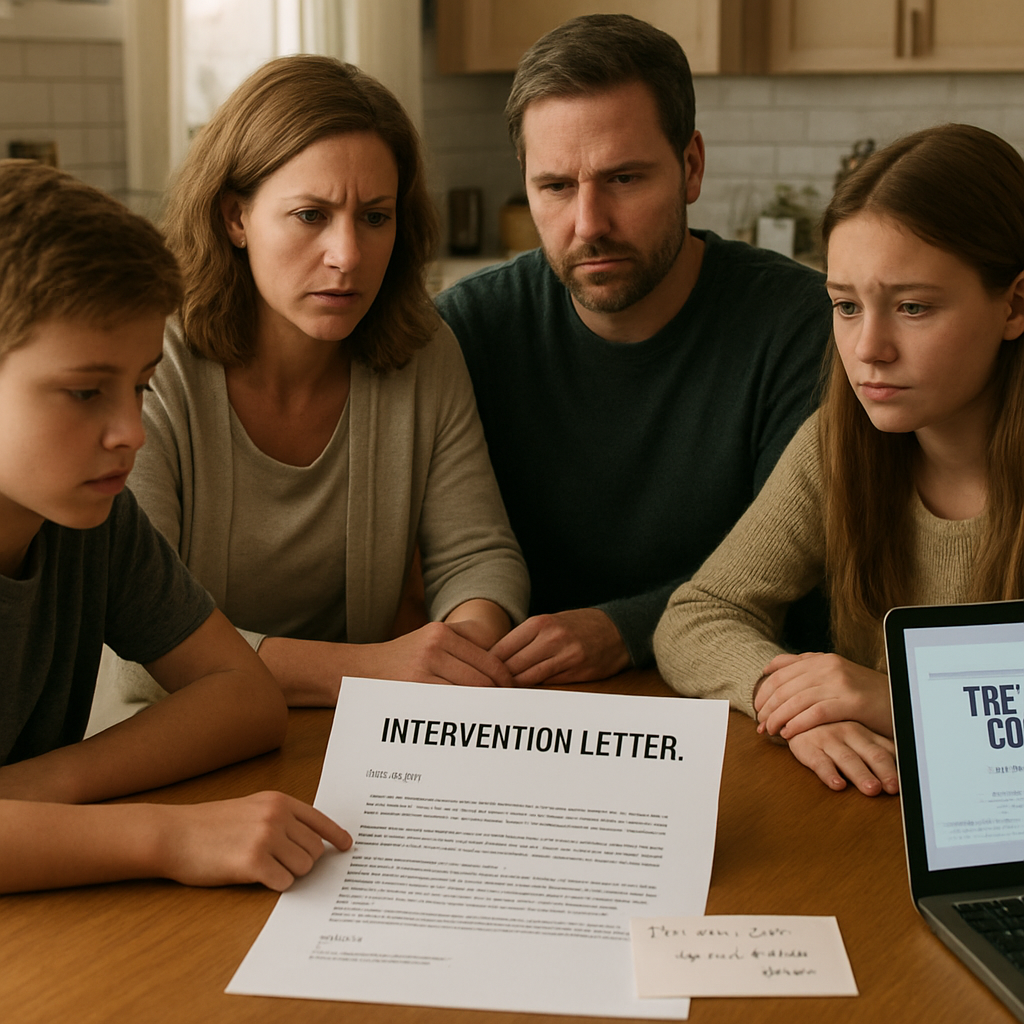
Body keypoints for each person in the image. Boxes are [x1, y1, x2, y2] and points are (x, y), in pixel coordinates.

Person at [95, 56, 529, 725]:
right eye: (310, 214)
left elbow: (478, 555)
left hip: (345, 731)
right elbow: (138, 639)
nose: (348, 254)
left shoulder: (421, 348)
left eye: (375, 217)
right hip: (163, 743)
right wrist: (374, 671)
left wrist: (459, 648)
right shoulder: (152, 359)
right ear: (235, 217)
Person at [435, 14, 832, 686]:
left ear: (692, 166)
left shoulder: (801, 325)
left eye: (624, 179)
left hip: (740, 690)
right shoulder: (466, 329)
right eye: (555, 187)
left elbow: (796, 572)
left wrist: (626, 627)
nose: (589, 224)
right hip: (524, 701)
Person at [0, 159, 350, 893]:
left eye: (141, 386)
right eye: (86, 391)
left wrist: (38, 787)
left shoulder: (94, 520)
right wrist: (169, 836)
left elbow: (245, 697)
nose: (132, 431)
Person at [655, 123, 1024, 797]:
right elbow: (697, 616)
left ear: (1015, 303)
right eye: (847, 306)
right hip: (882, 819)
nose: (869, 348)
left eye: (913, 307)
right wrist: (796, 706)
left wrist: (890, 702)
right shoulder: (837, 443)